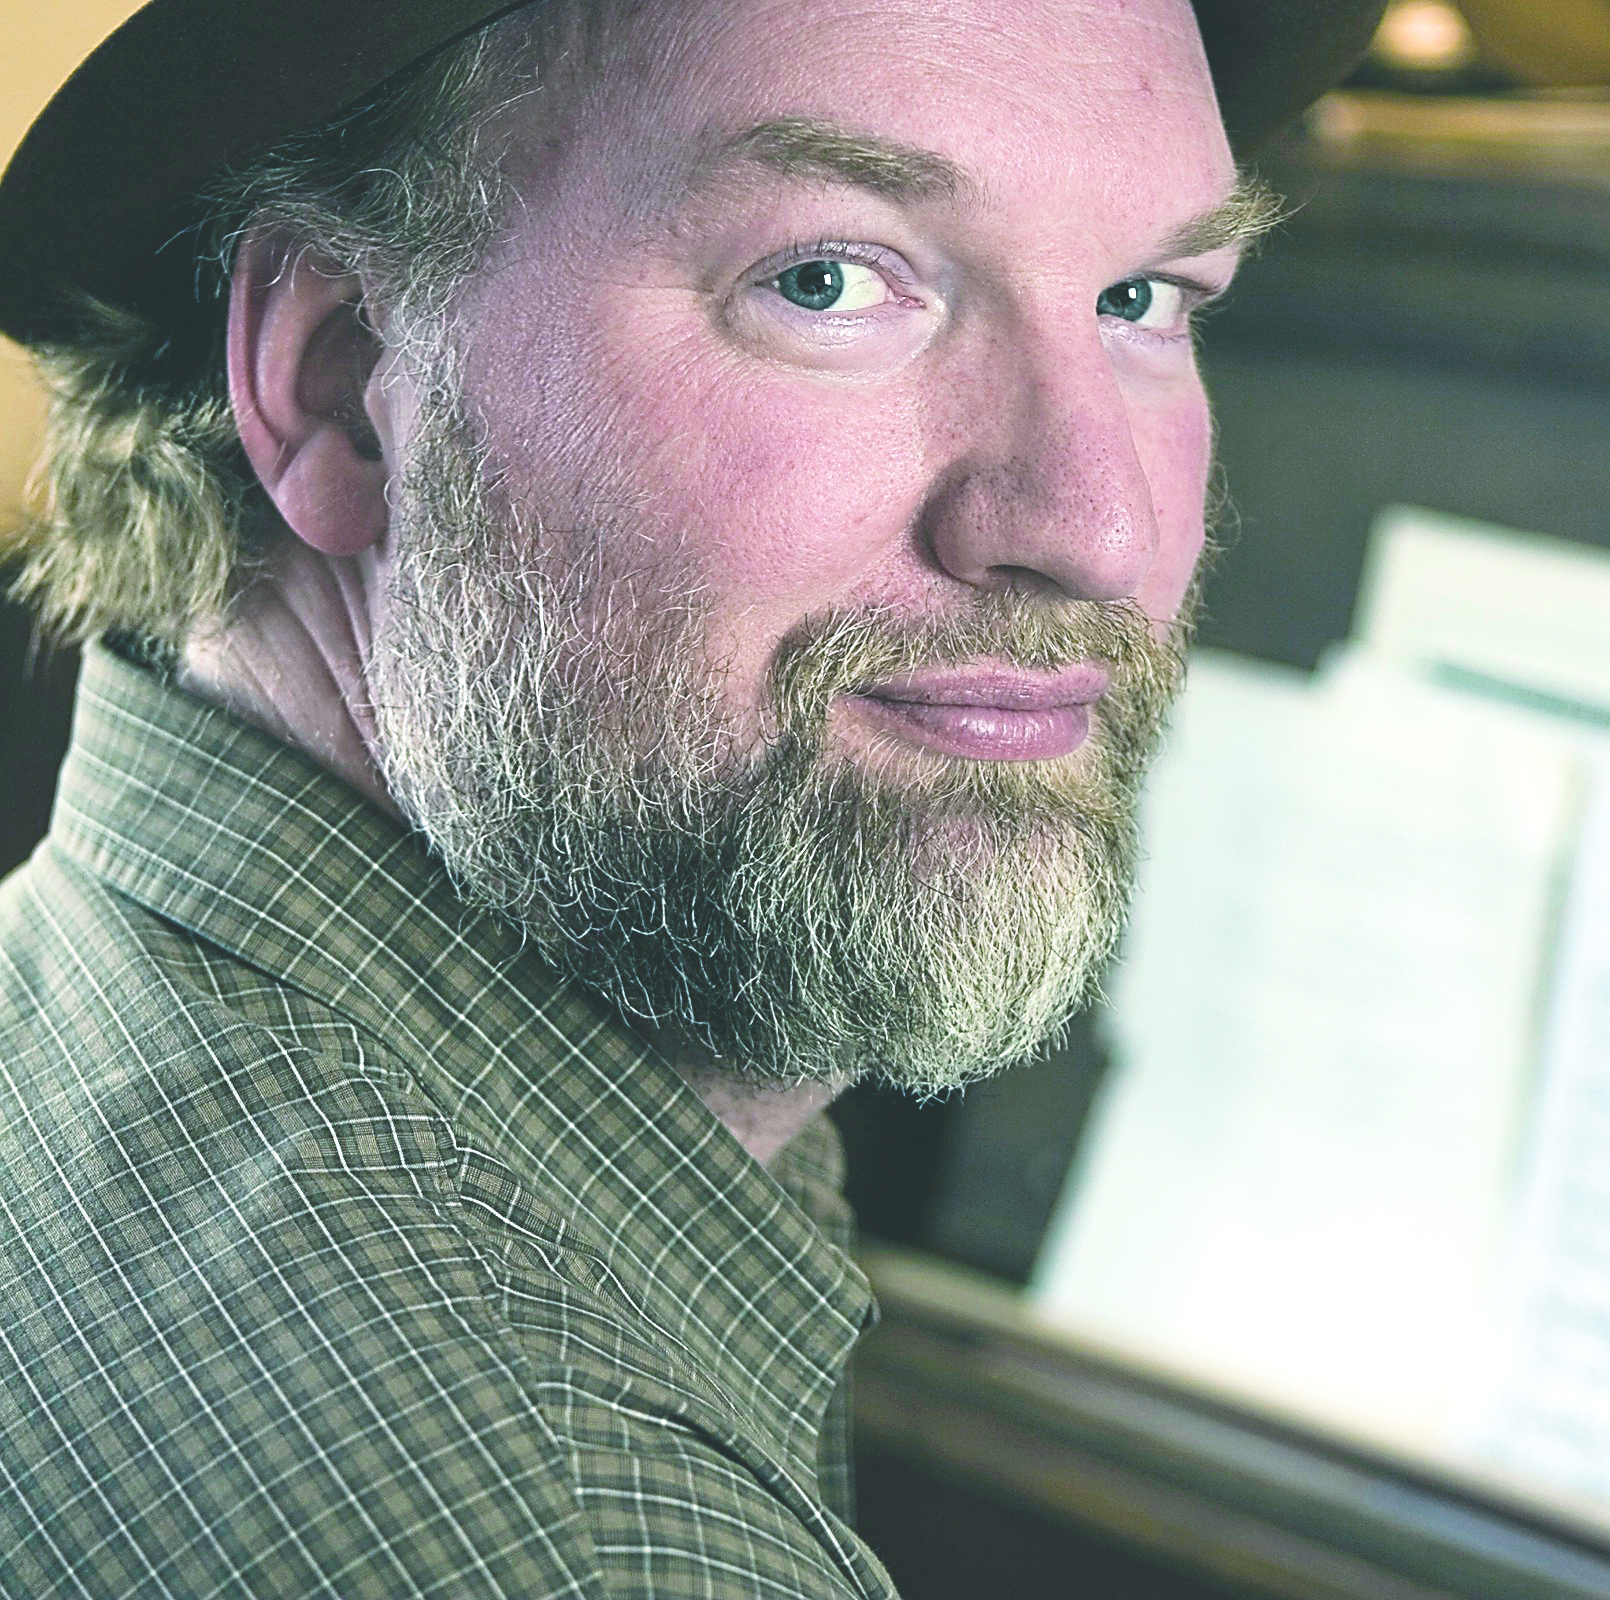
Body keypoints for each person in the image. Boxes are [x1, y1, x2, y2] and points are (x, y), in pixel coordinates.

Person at [0, 0, 1381, 1593]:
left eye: (1143, 298)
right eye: (829, 280)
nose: (1096, 532)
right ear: (337, 377)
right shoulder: (599, 1543)